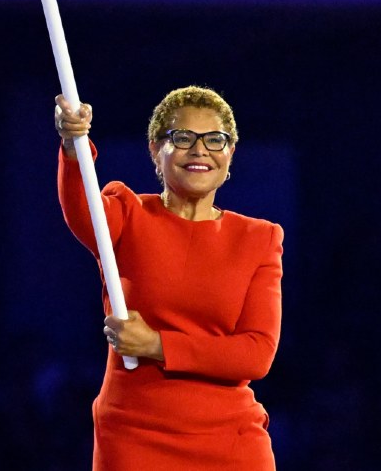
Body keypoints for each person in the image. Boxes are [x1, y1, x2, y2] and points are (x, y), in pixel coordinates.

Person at [54, 85, 283, 470]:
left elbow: (256, 354)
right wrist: (72, 145)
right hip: (134, 436)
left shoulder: (259, 238)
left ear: (230, 153)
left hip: (230, 442)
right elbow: (82, 207)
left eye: (215, 140)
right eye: (182, 138)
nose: (199, 150)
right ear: (155, 151)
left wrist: (157, 345)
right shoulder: (127, 213)